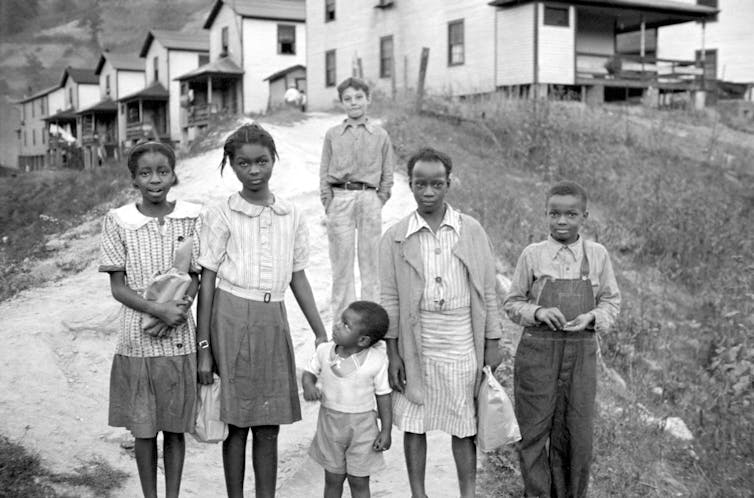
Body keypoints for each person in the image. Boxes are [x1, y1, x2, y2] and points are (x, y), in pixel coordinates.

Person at [195, 123, 328, 498]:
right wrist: (204, 347)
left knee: (268, 425)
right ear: (231, 166)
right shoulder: (222, 213)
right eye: (243, 163)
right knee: (236, 423)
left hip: (274, 321)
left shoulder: (291, 214)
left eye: (262, 162)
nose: (254, 171)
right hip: (231, 318)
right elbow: (207, 281)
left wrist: (319, 331)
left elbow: (297, 276)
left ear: (274, 161)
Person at [379, 147, 503, 498]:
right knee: (415, 423)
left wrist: (492, 341)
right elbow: (389, 299)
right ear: (411, 185)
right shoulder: (396, 237)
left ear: (449, 184)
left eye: (437, 184)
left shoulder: (471, 230)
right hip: (417, 341)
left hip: (462, 338)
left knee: (463, 425)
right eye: (420, 184)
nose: (428, 192)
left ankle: (468, 491)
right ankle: (419, 493)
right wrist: (393, 353)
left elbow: (487, 291)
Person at [503, 180, 621, 498]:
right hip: (538, 352)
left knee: (575, 434)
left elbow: (611, 301)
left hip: (581, 351)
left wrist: (593, 317)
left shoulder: (597, 255)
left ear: (584, 216)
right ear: (546, 214)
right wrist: (538, 312)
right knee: (532, 430)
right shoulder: (532, 255)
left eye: (570, 214)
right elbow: (512, 303)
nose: (562, 221)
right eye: (554, 214)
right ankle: (537, 493)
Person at [98, 141, 201, 498]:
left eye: (162, 171)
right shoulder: (118, 221)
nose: (154, 179)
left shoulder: (191, 217)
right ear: (134, 180)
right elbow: (118, 287)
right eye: (145, 173)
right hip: (136, 338)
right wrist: (157, 310)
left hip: (178, 335)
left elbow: (197, 274)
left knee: (174, 428)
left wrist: (180, 307)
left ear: (174, 175)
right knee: (144, 429)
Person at [320, 77, 395, 323]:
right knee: (341, 264)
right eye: (348, 99)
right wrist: (329, 201)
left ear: (368, 99)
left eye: (359, 97)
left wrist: (379, 197)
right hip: (340, 198)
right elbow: (324, 171)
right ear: (342, 103)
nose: (354, 103)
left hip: (369, 198)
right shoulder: (333, 135)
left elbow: (387, 173)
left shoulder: (380, 135)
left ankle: (369, 323)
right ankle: (343, 322)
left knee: (370, 263)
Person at [302, 300, 392, 498]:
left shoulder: (376, 360)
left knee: (359, 481)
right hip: (330, 424)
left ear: (363, 341)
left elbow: (384, 395)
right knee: (333, 478)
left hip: (363, 427)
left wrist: (386, 430)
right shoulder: (325, 351)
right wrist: (309, 386)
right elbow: (309, 373)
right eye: (340, 321)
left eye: (346, 325)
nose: (337, 326)